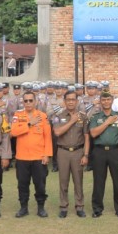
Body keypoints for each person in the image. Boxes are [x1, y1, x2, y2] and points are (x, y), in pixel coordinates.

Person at [11, 91, 52, 217]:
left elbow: (47, 137)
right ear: (22, 102)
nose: (28, 103)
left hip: (38, 157)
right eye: (25, 101)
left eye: (30, 100)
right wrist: (29, 124)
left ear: (35, 102)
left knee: (40, 184)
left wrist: (47, 155)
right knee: (22, 184)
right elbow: (13, 132)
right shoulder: (17, 115)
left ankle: (41, 207)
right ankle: (24, 207)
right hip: (22, 158)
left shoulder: (42, 116)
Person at [88, 91, 118, 218]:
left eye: (108, 100)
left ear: (112, 101)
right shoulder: (95, 117)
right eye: (103, 100)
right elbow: (93, 133)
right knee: (98, 181)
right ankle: (97, 209)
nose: (106, 102)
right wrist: (107, 122)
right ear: (100, 101)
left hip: (115, 151)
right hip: (99, 151)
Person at [51, 90, 90, 218]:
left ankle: (79, 207)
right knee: (63, 181)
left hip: (78, 152)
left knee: (78, 181)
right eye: (68, 100)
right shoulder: (58, 116)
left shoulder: (83, 116)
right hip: (63, 152)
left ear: (77, 101)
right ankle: (63, 207)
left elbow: (86, 137)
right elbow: (57, 132)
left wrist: (86, 155)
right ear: (64, 101)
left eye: (73, 99)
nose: (71, 102)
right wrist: (72, 121)